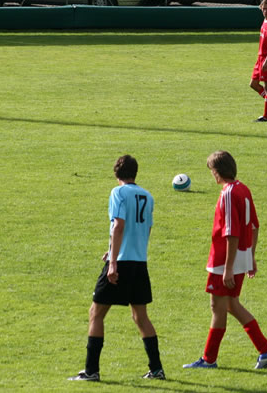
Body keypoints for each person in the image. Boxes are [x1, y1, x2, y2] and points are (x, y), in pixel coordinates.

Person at [69, 155, 165, 382]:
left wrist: (113, 261)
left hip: (121, 264)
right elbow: (145, 230)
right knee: (141, 317)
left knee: (96, 313)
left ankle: (91, 371)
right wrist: (112, 249)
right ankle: (157, 369)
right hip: (139, 263)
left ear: (116, 174)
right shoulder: (148, 196)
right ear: (136, 173)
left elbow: (119, 225)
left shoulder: (118, 193)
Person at [183, 151, 267, 370]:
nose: (212, 176)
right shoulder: (243, 188)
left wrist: (227, 268)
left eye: (212, 171)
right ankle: (266, 350)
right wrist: (250, 257)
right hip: (240, 257)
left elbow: (231, 233)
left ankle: (209, 359)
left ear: (218, 172)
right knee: (232, 305)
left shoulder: (227, 193)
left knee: (217, 306)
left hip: (225, 260)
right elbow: (255, 226)